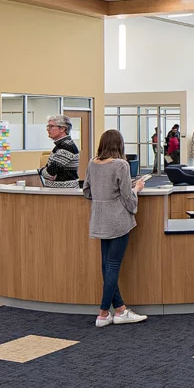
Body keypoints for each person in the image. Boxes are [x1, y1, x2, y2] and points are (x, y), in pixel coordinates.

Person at [83, 129, 148, 328]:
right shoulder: (121, 164)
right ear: (119, 145)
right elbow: (128, 198)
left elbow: (87, 191)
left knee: (107, 265)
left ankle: (119, 310)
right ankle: (103, 313)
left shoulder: (93, 163)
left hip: (100, 219)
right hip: (118, 221)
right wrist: (137, 188)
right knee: (112, 266)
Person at [41, 114, 80, 188]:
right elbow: (49, 170)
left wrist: (41, 170)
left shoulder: (67, 147)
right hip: (59, 191)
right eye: (48, 126)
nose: (48, 129)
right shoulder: (59, 146)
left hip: (65, 193)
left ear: (62, 129)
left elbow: (49, 173)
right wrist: (45, 170)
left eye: (51, 126)